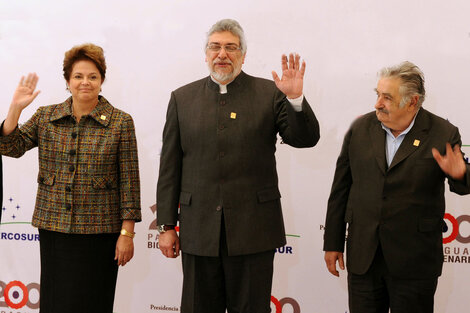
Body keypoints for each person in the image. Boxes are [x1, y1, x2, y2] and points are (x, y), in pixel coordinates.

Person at [156, 19, 320, 313]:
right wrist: (167, 226)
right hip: (199, 231)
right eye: (215, 47)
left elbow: (304, 139)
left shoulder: (270, 93)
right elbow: (170, 167)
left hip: (253, 229)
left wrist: (295, 99)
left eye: (231, 48)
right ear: (205, 54)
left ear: (243, 55)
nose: (222, 54)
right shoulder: (182, 99)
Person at [0, 43, 141, 313]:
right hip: (55, 230)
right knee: (56, 303)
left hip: (101, 234)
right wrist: (15, 110)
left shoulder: (121, 122)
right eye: (78, 76)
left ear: (101, 81)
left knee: (94, 302)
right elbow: (10, 147)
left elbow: (130, 182)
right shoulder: (46, 116)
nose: (85, 82)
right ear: (67, 81)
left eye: (92, 76)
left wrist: (127, 233)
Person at [323, 61, 470, 313]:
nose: (377, 103)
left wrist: (460, 174)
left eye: (387, 98)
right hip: (364, 256)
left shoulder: (442, 132)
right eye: (378, 95)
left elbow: (462, 185)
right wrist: (333, 242)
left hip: (414, 261)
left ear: (412, 101)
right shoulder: (360, 129)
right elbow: (341, 188)